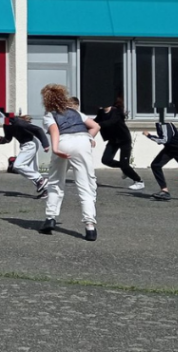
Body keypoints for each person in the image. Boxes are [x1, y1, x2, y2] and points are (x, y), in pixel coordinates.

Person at [38, 85, 102, 241]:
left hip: (63, 142)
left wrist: (55, 148)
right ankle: (90, 226)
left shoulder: (49, 114)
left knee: (55, 181)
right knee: (86, 184)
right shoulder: (75, 112)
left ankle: (50, 218)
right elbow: (95, 126)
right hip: (82, 141)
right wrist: (90, 138)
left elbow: (54, 130)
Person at [0, 108, 49, 197]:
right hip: (24, 145)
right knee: (31, 170)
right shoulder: (6, 125)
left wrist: (45, 144)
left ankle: (40, 180)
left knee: (18, 165)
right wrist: (0, 139)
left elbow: (38, 130)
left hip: (30, 144)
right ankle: (47, 190)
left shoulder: (19, 123)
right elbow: (8, 138)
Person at [94, 97, 145, 190]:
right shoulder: (101, 112)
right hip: (113, 140)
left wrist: (97, 125)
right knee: (106, 160)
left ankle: (139, 181)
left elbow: (111, 122)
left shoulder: (115, 111)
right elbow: (95, 121)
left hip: (124, 139)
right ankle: (125, 168)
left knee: (125, 164)